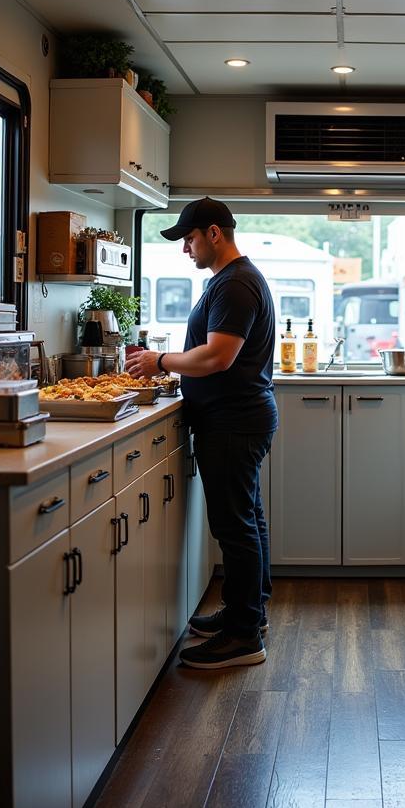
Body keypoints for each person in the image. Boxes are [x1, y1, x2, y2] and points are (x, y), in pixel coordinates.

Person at [126, 197, 277, 670]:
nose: (185, 249)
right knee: (245, 520)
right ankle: (246, 613)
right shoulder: (230, 281)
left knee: (235, 527)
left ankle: (244, 636)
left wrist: (160, 362)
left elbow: (217, 358)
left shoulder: (235, 285)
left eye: (189, 238)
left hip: (233, 420)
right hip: (234, 416)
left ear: (214, 233)